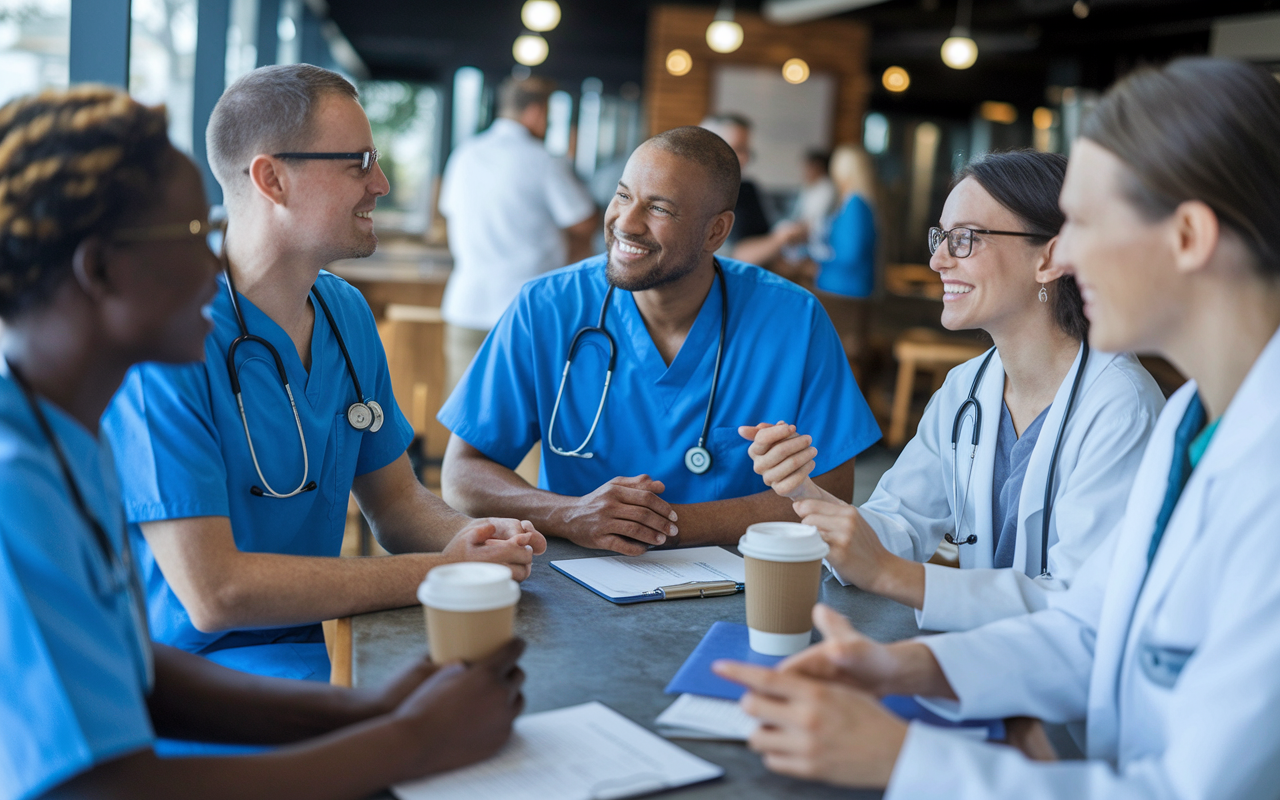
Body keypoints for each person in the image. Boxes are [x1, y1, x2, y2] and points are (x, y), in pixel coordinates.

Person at [716, 57, 1280, 798]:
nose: (1066, 253)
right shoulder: (1192, 420)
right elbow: (1088, 626)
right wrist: (908, 667)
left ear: (1187, 237)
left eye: (1084, 222)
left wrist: (901, 760)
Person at [0, 85, 524, 800]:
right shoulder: (16, 480)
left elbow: (137, 671)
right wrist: (410, 740)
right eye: (191, 236)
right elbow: (97, 786)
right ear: (101, 270)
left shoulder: (62, 433)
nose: (212, 263)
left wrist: (371, 708)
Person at [102, 65, 545, 688]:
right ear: (272, 178)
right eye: (358, 162)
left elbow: (394, 503)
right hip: (191, 679)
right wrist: (442, 572)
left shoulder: (346, 314)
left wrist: (476, 535)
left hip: (324, 638)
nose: (382, 183)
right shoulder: (164, 344)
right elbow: (216, 593)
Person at [742, 149, 1164, 633]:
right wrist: (804, 492)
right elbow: (897, 527)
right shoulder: (967, 388)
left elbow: (1082, 606)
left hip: (1066, 696)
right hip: (982, 661)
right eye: (941, 237)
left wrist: (890, 575)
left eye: (963, 239)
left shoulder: (1121, 407)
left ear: (1050, 257)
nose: (938, 259)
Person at [438, 126, 880, 555]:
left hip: (745, 589)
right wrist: (571, 514)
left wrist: (650, 526)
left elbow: (832, 492)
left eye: (659, 209)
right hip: (575, 590)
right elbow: (463, 473)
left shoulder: (794, 321)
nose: (625, 223)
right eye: (623, 195)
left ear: (716, 232)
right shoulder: (546, 307)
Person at [439, 75, 597, 393]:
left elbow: (448, 214)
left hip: (467, 304)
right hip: (526, 309)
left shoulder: (465, 154)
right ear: (536, 112)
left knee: (463, 419)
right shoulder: (542, 160)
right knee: (528, 419)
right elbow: (585, 221)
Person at [699, 114, 806, 268]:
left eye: (746, 150)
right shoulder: (704, 195)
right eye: (736, 149)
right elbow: (736, 256)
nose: (745, 158)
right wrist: (782, 238)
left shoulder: (748, 188)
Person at [813, 144, 877, 299]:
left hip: (845, 290)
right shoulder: (853, 202)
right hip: (842, 288)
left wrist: (816, 261)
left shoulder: (855, 205)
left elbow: (850, 254)